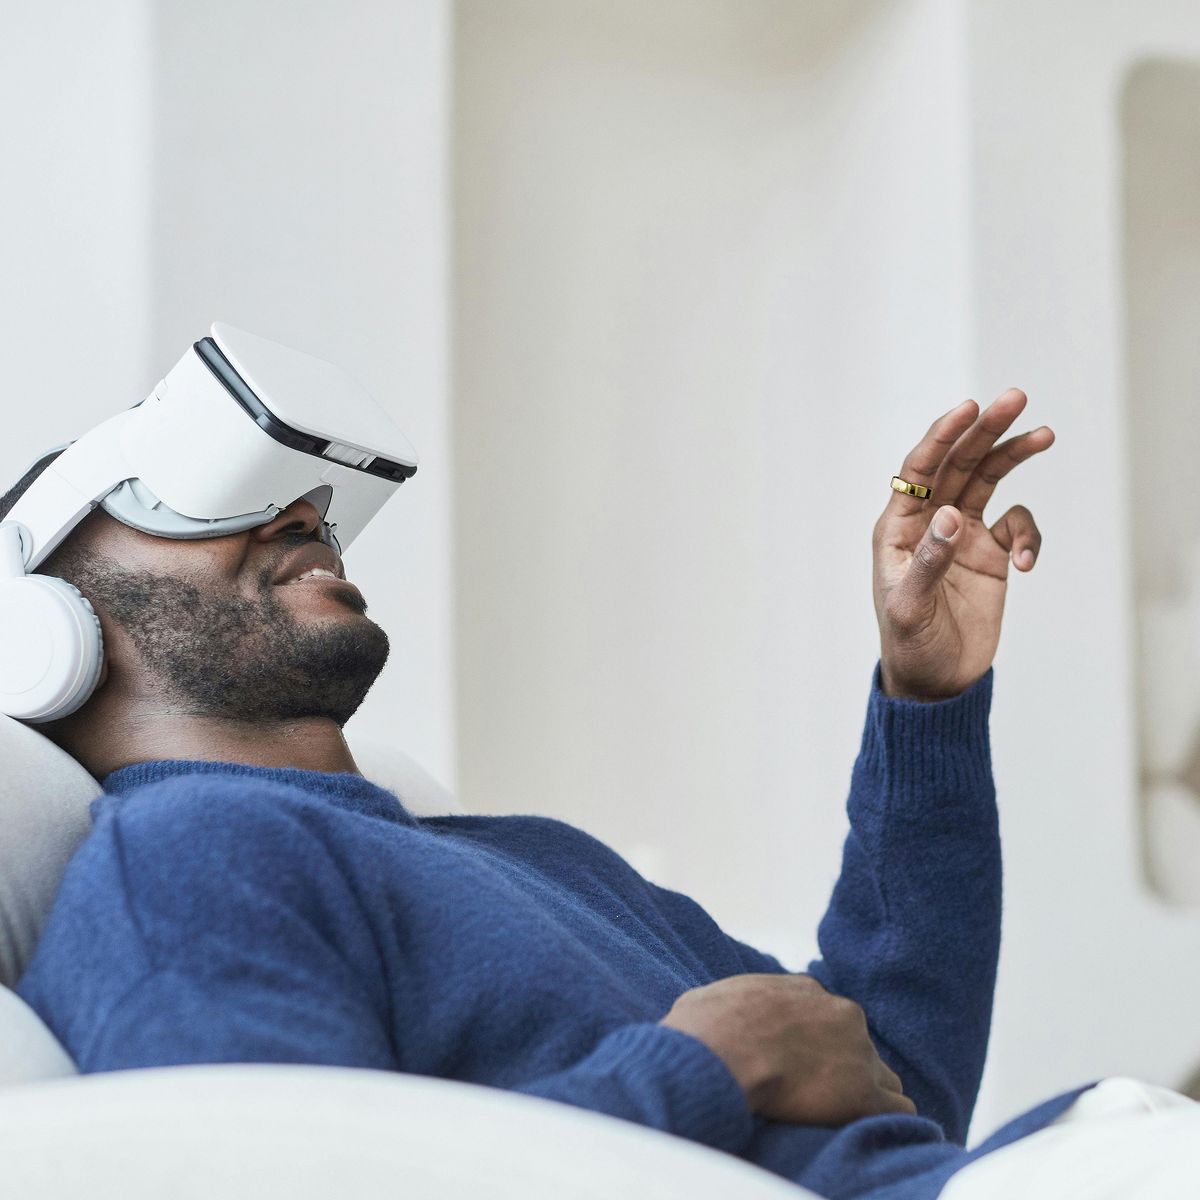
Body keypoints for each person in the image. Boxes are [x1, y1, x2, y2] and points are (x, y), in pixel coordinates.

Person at [9, 385, 1195, 1199]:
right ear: (36, 624)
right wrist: (704, 1067)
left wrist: (927, 701)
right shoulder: (188, 859)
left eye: (309, 498)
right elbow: (276, 1181)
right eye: (181, 496)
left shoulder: (529, 854)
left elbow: (892, 1090)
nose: (303, 513)